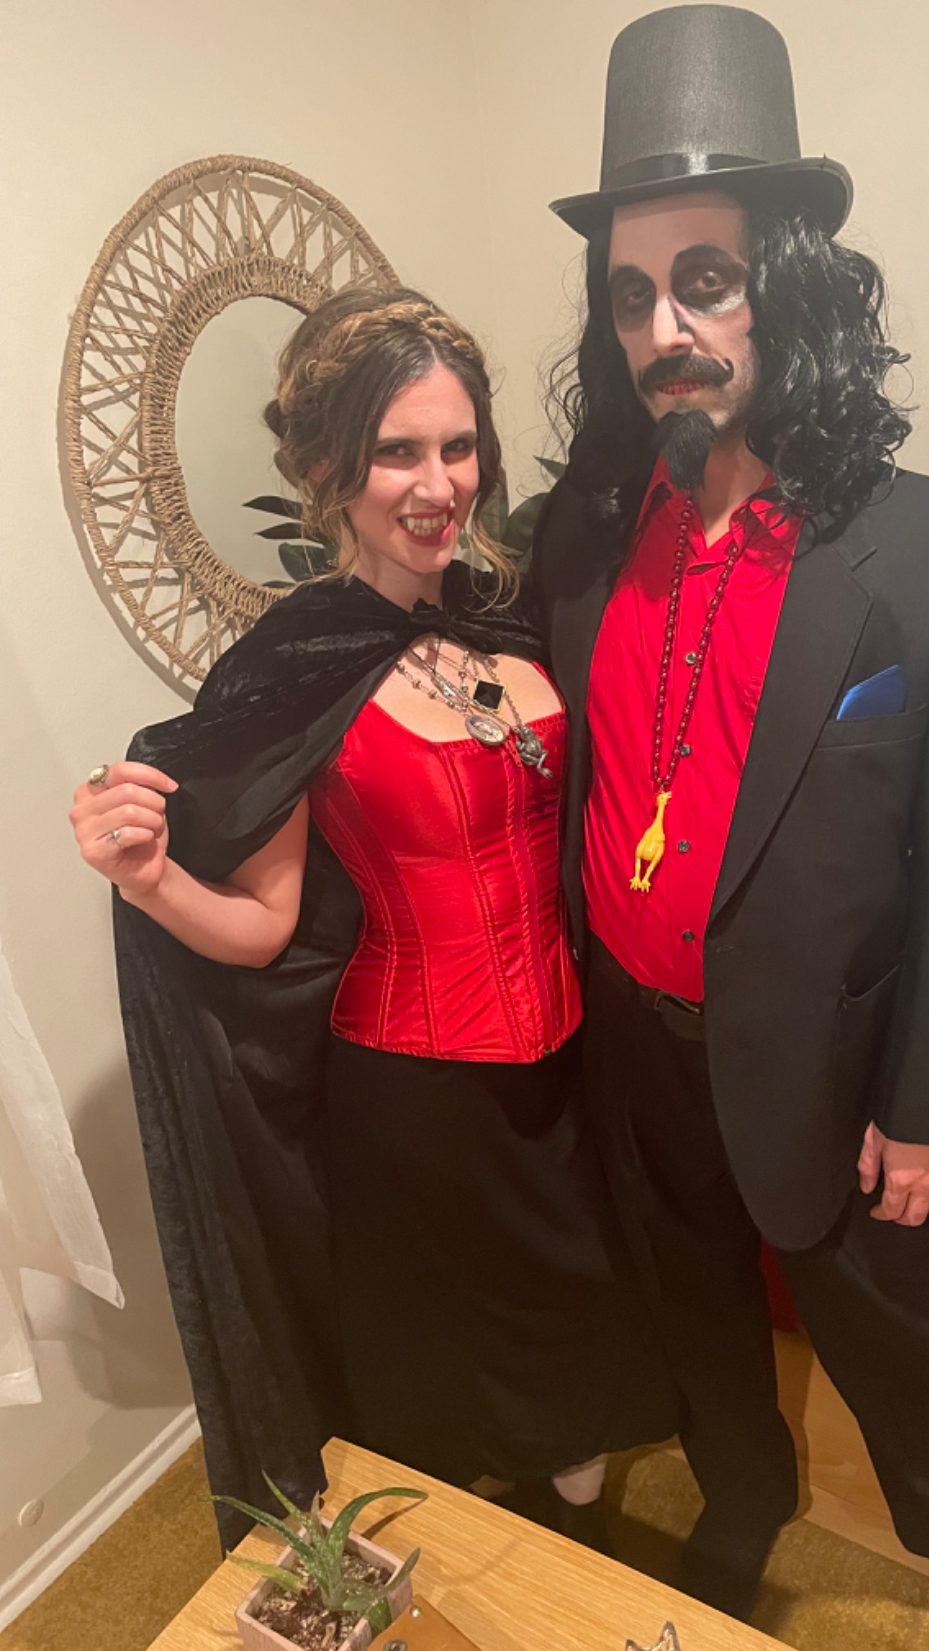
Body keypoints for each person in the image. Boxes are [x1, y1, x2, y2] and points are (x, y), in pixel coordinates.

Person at [535, 7, 929, 1648]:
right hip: (634, 1040)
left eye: (703, 280)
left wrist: (928, 1108)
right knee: (693, 1300)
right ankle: (741, 1492)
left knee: (894, 1330)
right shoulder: (580, 533)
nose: (664, 328)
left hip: (832, 1058)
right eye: (630, 295)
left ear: (787, 283)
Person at [69, 287, 674, 1549]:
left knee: (578, 1309)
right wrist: (148, 879)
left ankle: (576, 1545)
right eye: (397, 451)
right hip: (411, 1086)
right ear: (331, 471)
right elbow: (264, 925)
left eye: (457, 446)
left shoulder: (511, 618)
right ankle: (478, 1564)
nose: (436, 484)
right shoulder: (298, 663)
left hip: (568, 1059)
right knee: (448, 1347)